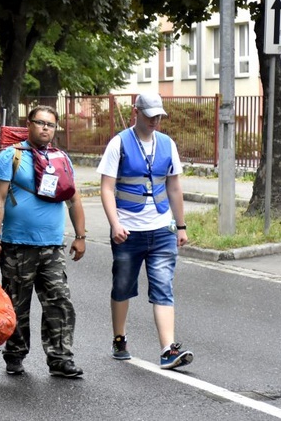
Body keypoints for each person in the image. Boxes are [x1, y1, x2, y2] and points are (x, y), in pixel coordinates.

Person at [0, 105, 86, 378]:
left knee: (59, 301)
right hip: (17, 244)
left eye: (50, 125)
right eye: (40, 123)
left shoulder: (62, 158)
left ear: (55, 129)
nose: (45, 128)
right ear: (28, 124)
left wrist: (80, 236)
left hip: (52, 245)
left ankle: (60, 358)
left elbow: (74, 199)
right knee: (17, 303)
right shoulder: (11, 155)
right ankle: (15, 353)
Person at [97, 93, 193, 369]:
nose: (155, 120)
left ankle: (168, 350)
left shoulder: (167, 144)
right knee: (122, 287)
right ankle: (119, 338)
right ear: (135, 113)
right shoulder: (119, 143)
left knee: (164, 287)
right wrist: (115, 223)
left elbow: (174, 186)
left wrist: (181, 226)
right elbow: (106, 187)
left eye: (159, 116)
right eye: (150, 115)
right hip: (128, 231)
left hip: (161, 228)